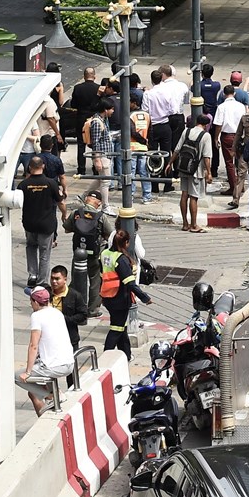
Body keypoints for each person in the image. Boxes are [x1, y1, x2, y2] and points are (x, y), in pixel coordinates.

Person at [16, 285, 75, 416]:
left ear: (36, 302)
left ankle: (51, 396)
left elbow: (33, 345)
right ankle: (54, 393)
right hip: (69, 364)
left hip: (54, 367)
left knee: (17, 377)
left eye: (31, 301)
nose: (30, 304)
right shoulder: (57, 313)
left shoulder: (37, 316)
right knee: (39, 378)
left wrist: (28, 371)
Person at [99, 229, 152, 360]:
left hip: (108, 296)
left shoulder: (104, 254)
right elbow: (130, 283)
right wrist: (145, 298)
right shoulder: (121, 260)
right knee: (116, 329)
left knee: (121, 327)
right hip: (119, 299)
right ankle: (106, 357)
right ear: (126, 243)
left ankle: (126, 355)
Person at [62, 189, 114, 317]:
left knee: (76, 280)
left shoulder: (76, 213)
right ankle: (92, 309)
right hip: (95, 254)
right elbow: (110, 234)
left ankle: (71, 306)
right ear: (99, 203)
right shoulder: (101, 216)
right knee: (95, 281)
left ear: (86, 199)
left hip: (79, 252)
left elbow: (67, 229)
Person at [18, 156, 65, 288]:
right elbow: (60, 201)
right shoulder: (51, 183)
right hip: (46, 224)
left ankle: (32, 275)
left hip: (29, 223)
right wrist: (64, 214)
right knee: (45, 253)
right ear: (43, 166)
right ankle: (42, 281)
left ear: (29, 168)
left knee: (31, 247)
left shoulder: (23, 185)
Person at [173, 114, 214, 232]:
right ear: (206, 125)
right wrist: (209, 173)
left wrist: (170, 163)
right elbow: (207, 157)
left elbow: (177, 149)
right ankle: (194, 225)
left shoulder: (186, 131)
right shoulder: (206, 136)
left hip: (183, 167)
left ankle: (185, 224)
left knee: (184, 194)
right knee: (193, 197)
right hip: (196, 170)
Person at [213, 84, 248, 209]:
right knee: (240, 163)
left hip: (227, 136)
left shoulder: (222, 107)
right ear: (235, 93)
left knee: (229, 163)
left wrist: (216, 138)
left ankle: (234, 187)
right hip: (239, 136)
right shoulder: (240, 106)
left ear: (223, 94)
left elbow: (218, 124)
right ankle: (240, 186)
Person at [142, 70, 175, 195]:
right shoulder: (167, 92)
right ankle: (167, 183)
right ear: (161, 78)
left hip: (153, 126)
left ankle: (154, 184)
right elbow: (172, 109)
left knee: (152, 155)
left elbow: (145, 110)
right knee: (166, 153)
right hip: (165, 124)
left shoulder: (148, 94)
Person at [70, 68, 101, 176]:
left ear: (84, 76)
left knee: (81, 144)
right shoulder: (98, 88)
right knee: (95, 143)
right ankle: (96, 167)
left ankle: (81, 168)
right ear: (94, 76)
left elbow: (73, 104)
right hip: (94, 118)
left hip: (81, 117)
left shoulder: (78, 88)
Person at [84, 98, 115, 203]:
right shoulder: (97, 122)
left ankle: (83, 195)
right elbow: (95, 142)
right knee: (106, 182)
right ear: (105, 110)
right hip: (102, 156)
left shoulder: (103, 120)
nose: (113, 111)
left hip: (106, 155)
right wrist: (97, 159)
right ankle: (105, 205)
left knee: (101, 179)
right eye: (111, 109)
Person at [127, 96, 152, 204]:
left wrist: (141, 140)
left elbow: (132, 132)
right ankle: (147, 196)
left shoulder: (130, 115)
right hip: (144, 148)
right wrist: (146, 143)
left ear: (134, 103)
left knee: (131, 173)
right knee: (144, 173)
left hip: (132, 147)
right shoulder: (147, 115)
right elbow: (151, 131)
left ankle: (130, 195)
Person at [199, 64, 222, 176]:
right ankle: (214, 169)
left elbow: (192, 86)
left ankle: (201, 167)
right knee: (215, 142)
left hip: (202, 116)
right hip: (214, 116)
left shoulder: (199, 85)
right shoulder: (216, 85)